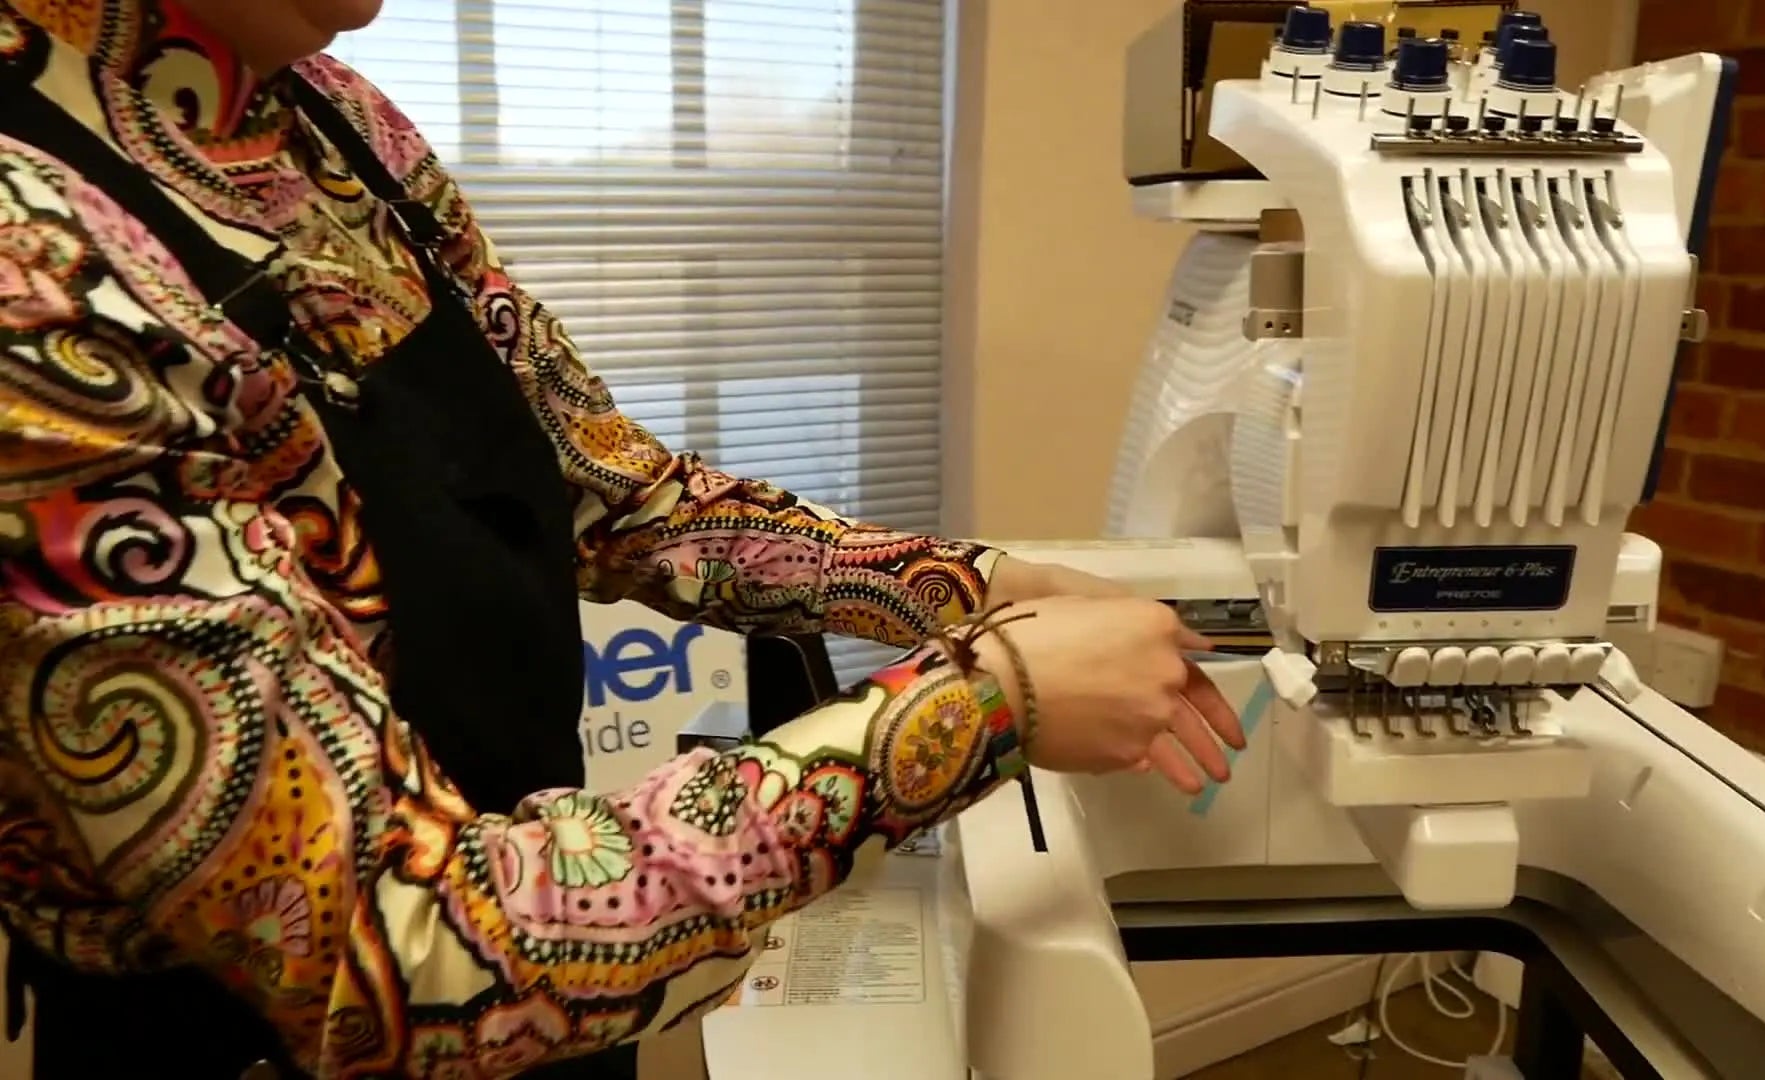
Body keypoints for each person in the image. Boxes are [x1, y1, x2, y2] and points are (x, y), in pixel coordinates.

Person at [0, 1, 1246, 1076]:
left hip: (552, 983)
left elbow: (613, 490)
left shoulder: (330, 118)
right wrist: (982, 707)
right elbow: (395, 956)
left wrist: (963, 587)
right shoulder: (33, 269)